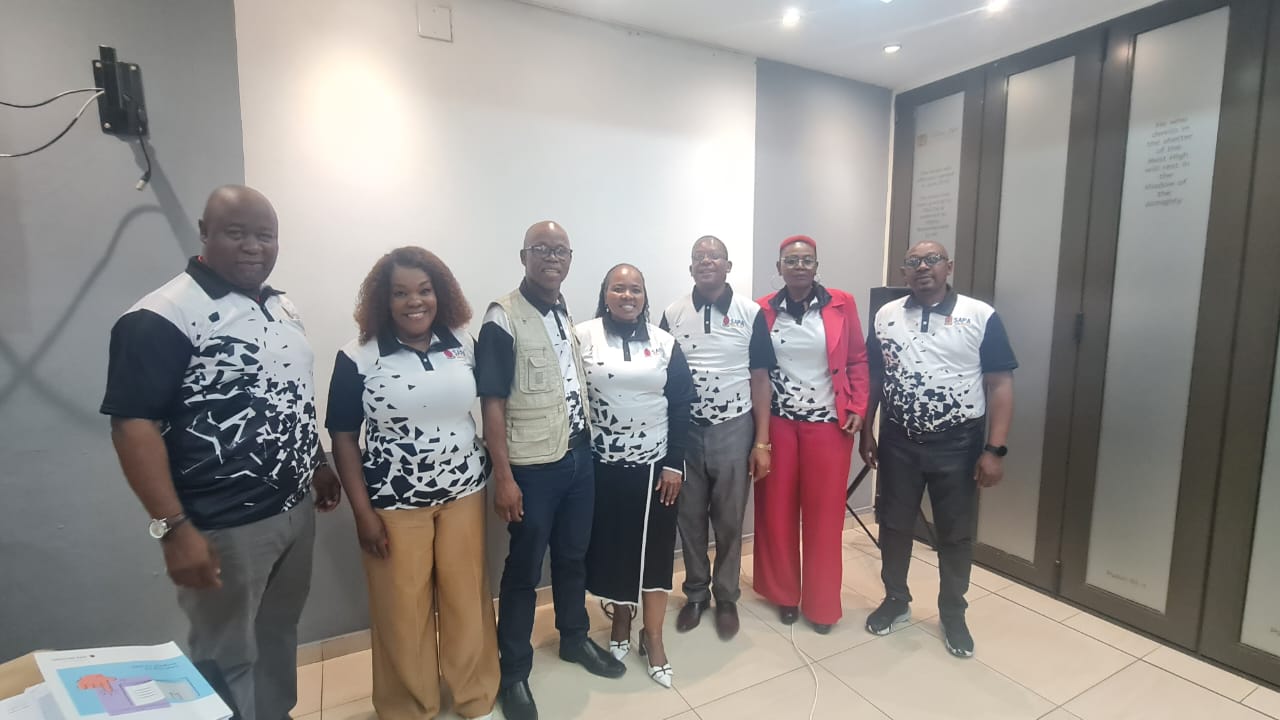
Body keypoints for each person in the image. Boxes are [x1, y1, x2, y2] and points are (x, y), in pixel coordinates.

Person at [100, 185, 342, 720]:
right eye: (237, 233)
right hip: (223, 525)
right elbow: (132, 426)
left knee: (278, 635)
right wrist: (174, 528)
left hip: (294, 511)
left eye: (265, 235)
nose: (254, 246)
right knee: (225, 656)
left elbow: (290, 392)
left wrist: (318, 462)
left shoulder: (280, 305)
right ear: (204, 234)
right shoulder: (162, 315)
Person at [326, 247, 498, 720]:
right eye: (401, 293)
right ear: (384, 300)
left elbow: (488, 405)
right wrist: (363, 514)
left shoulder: (462, 341)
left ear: (440, 294)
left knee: (468, 601)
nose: (414, 301)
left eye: (424, 290)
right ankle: (410, 708)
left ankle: (474, 698)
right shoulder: (358, 356)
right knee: (402, 612)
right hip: (394, 504)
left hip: (464, 492)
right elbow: (343, 438)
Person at [475, 221, 625, 720]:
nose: (552, 257)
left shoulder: (563, 309)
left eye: (560, 250)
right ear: (524, 257)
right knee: (523, 570)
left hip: (578, 457)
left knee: (573, 556)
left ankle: (574, 638)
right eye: (541, 249)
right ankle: (514, 672)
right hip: (532, 468)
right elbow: (492, 402)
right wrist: (503, 477)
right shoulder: (502, 317)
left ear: (570, 259)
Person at [860, 241, 1016, 658]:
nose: (923, 267)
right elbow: (876, 374)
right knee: (894, 526)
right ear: (904, 272)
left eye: (932, 260)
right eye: (913, 262)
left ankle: (953, 613)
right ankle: (896, 599)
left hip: (958, 444)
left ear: (949, 266)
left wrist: (995, 450)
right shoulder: (886, 315)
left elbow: (1000, 384)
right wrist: (867, 430)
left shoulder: (979, 315)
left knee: (954, 533)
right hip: (899, 440)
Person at [577, 264, 696, 688]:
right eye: (618, 288)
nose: (627, 296)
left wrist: (674, 464)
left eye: (635, 289)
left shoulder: (664, 342)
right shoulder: (582, 336)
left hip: (656, 470)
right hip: (602, 467)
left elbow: (681, 403)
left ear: (645, 296)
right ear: (605, 294)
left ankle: (654, 636)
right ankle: (621, 620)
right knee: (617, 550)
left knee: (656, 553)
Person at [659, 236, 775, 639]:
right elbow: (662, 376)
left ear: (728, 266)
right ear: (690, 267)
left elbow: (760, 379)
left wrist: (762, 442)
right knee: (688, 517)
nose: (706, 261)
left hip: (734, 427)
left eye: (714, 256)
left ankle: (726, 597)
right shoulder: (673, 313)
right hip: (686, 431)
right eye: (699, 257)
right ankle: (695, 594)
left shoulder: (750, 312)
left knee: (729, 519)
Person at [754, 235, 869, 634]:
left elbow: (857, 359)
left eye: (806, 260)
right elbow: (756, 369)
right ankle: (784, 595)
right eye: (791, 260)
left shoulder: (841, 303)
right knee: (776, 511)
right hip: (778, 425)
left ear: (817, 266)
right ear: (779, 267)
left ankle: (822, 606)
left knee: (824, 518)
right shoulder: (762, 309)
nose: (799, 266)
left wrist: (858, 407)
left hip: (828, 427)